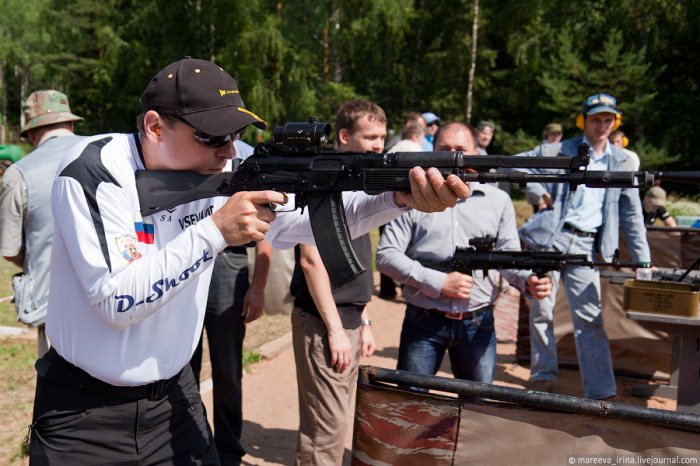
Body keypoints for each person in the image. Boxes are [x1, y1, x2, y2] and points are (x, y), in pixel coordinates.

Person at [29, 57, 470, 464]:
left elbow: (311, 223)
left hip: (175, 401)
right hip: (82, 413)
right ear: (155, 127)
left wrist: (398, 197)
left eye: (235, 135)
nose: (228, 151)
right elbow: (115, 302)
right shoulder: (94, 172)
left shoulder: (227, 163)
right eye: (212, 136)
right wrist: (214, 231)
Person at [376, 122, 552, 387]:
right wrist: (438, 282)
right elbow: (386, 255)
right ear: (431, 152)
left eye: (461, 150)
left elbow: (508, 257)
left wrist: (527, 280)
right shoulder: (409, 199)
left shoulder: (498, 201)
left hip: (478, 323)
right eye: (444, 149)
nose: (452, 156)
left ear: (476, 154)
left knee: (477, 412)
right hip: (423, 320)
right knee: (411, 408)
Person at [517, 93, 651, 400]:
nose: (602, 125)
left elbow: (631, 214)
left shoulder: (623, 161)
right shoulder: (558, 149)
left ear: (615, 123)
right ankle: (542, 375)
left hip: (588, 244)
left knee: (591, 318)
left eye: (608, 120)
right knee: (541, 308)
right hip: (552, 237)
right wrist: (538, 195)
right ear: (583, 120)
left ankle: (602, 391)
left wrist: (643, 260)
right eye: (596, 119)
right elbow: (519, 166)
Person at [290, 99, 384, 465]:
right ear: (344, 136)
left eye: (382, 136)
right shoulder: (321, 181)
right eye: (370, 136)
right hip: (323, 322)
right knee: (325, 434)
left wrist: (365, 321)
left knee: (336, 422)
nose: (379, 144)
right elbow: (311, 260)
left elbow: (360, 260)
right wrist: (334, 329)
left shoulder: (358, 184)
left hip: (349, 320)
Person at [188, 139, 272, 466]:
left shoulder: (248, 156)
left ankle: (228, 454)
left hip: (229, 265)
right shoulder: (186, 148)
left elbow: (266, 233)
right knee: (183, 366)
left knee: (228, 370)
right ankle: (189, 446)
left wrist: (258, 287)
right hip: (187, 258)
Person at [0, 90, 85, 357]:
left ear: (32, 135)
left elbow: (10, 249)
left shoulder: (18, 173)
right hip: (122, 297)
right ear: (70, 124)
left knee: (61, 393)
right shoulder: (109, 148)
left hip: (55, 308)